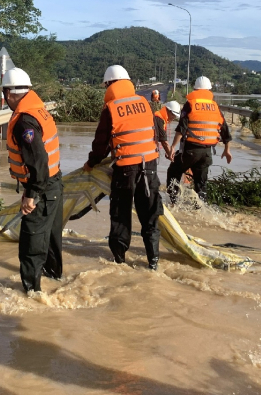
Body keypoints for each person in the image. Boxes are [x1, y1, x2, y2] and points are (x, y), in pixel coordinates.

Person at [82, 65, 164, 270]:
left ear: (109, 84)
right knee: (150, 215)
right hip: (150, 167)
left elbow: (100, 144)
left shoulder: (111, 108)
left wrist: (91, 164)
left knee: (120, 215)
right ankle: (153, 263)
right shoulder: (144, 103)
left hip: (125, 169)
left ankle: (120, 263)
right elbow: (154, 133)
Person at [2, 68, 64, 293]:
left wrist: (31, 195)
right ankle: (56, 281)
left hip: (43, 188)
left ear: (8, 93)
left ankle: (31, 295)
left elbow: (38, 161)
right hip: (54, 183)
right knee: (51, 238)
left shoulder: (24, 122)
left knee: (32, 244)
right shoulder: (39, 109)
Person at [166, 76, 232, 205]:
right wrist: (227, 150)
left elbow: (181, 128)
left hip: (190, 150)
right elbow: (225, 129)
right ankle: (201, 209)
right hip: (207, 153)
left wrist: (173, 147)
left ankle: (173, 203)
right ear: (209, 90)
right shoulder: (215, 106)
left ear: (195, 89)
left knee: (174, 170)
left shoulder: (190, 104)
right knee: (201, 185)